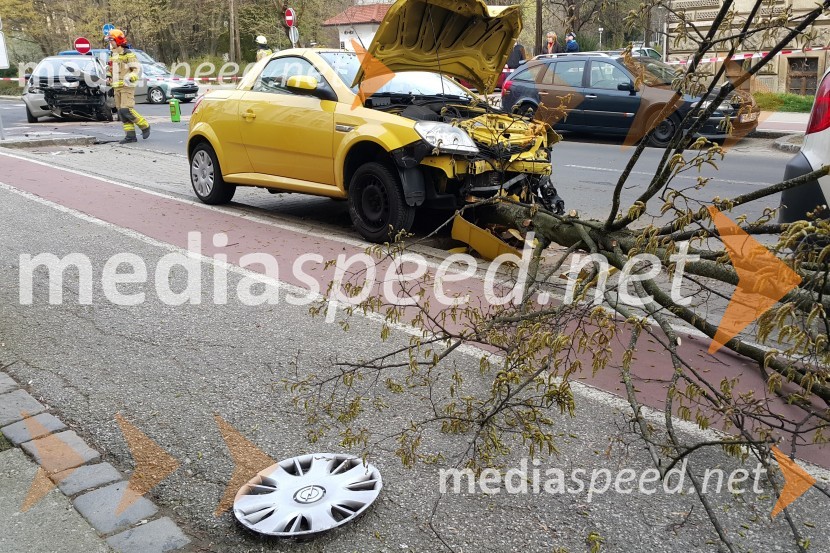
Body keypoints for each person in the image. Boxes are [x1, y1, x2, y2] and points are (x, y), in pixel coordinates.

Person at [107, 29, 150, 144]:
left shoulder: (128, 54)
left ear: (118, 40)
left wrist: (130, 77)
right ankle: (130, 136)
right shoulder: (113, 54)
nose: (110, 42)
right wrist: (109, 79)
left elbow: (136, 69)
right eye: (110, 40)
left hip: (127, 86)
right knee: (121, 112)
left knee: (126, 110)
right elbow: (110, 69)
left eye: (112, 40)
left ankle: (144, 125)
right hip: (117, 87)